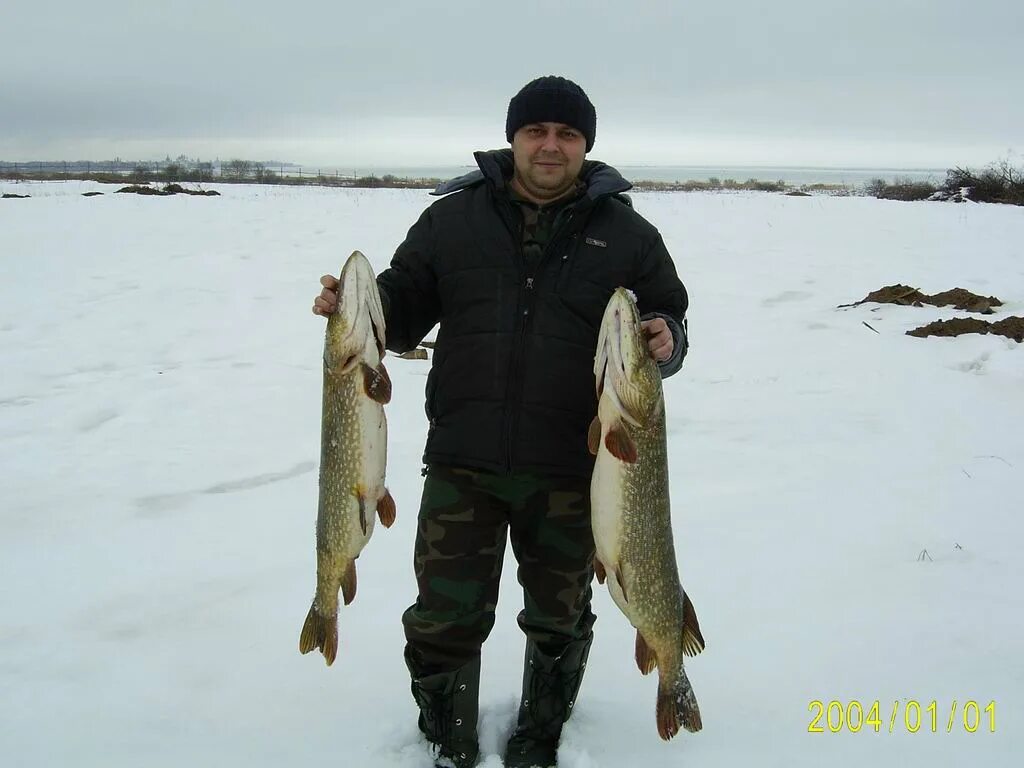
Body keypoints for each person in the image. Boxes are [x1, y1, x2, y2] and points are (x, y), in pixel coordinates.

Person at [312, 75, 689, 768]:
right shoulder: (452, 220)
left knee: (560, 620)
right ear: (513, 137)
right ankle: (448, 743)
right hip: (464, 461)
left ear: (586, 146)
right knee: (444, 619)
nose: (550, 146)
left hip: (577, 470)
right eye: (536, 131)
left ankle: (539, 740)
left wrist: (667, 337)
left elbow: (665, 322)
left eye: (567, 134)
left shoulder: (629, 236)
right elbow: (401, 304)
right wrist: (355, 311)